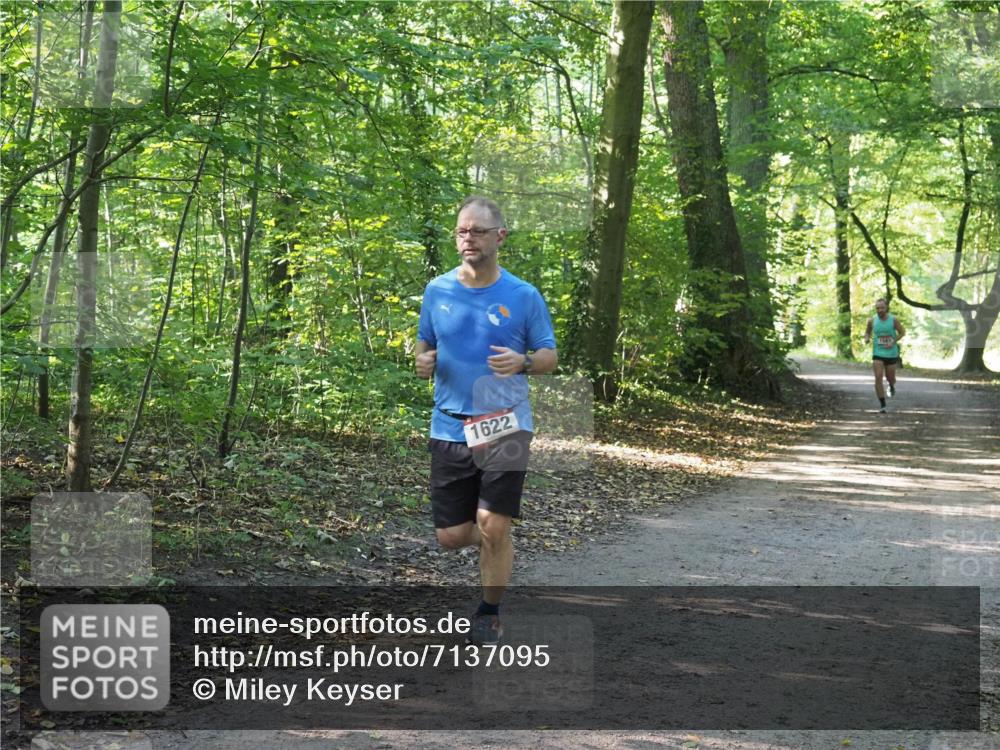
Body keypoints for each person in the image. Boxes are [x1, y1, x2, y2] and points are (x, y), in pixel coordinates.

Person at [415, 196, 557, 645]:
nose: (468, 238)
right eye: (462, 230)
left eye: (477, 230)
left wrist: (524, 361)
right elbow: (423, 346)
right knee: (451, 537)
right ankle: (500, 543)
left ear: (500, 236)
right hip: (449, 423)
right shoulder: (438, 290)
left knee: (493, 523)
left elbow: (550, 356)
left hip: (505, 421)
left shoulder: (523, 295)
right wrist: (422, 361)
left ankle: (488, 611)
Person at [864, 298, 905, 413]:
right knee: (878, 377)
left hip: (891, 353)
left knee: (890, 378)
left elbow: (902, 332)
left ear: (886, 308)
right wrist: (866, 338)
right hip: (878, 352)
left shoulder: (893, 320)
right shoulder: (872, 320)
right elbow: (867, 332)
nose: (880, 310)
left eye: (882, 307)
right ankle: (883, 405)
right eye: (877, 308)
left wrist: (893, 341)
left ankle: (891, 385)